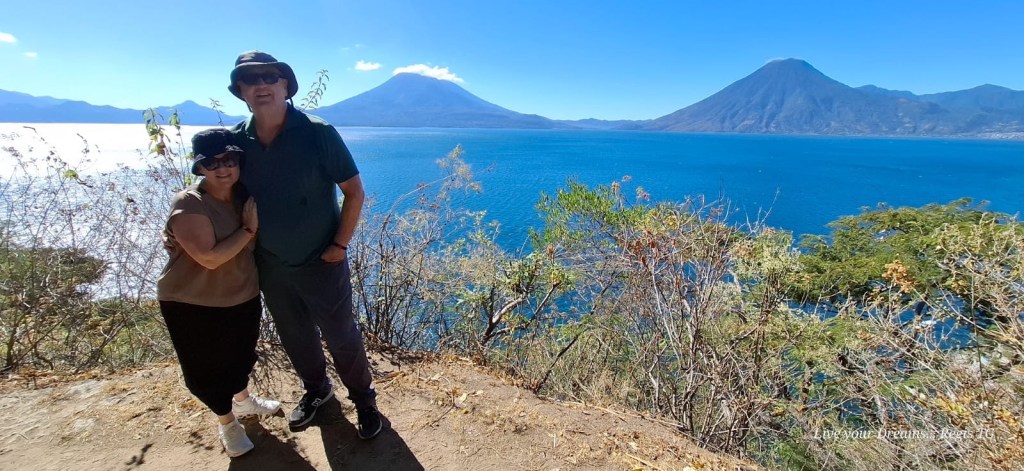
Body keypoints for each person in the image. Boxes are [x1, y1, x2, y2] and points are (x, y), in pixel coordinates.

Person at [225, 50, 383, 439]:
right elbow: (216, 189)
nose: (261, 85)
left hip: (321, 260)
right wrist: (185, 221)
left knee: (341, 336)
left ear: (286, 86)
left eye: (270, 77)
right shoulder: (235, 141)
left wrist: (339, 246)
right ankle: (317, 391)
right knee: (294, 335)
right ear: (241, 90)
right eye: (251, 79)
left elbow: (354, 192)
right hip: (270, 263)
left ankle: (364, 402)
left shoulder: (317, 132)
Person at [157, 128, 282, 458]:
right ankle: (227, 423)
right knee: (205, 367)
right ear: (199, 168)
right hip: (192, 301)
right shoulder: (190, 203)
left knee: (240, 356)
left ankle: (243, 402)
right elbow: (210, 258)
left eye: (229, 160)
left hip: (241, 294)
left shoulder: (243, 197)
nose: (223, 168)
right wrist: (248, 229)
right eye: (212, 163)